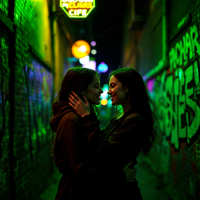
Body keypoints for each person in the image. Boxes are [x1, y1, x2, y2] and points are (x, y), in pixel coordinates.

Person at [68, 67, 159, 200]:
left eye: (113, 86)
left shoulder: (134, 120)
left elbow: (101, 153)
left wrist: (86, 116)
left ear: (127, 87)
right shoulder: (120, 118)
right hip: (115, 187)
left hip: (122, 192)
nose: (108, 91)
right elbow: (98, 142)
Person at [49, 67, 137, 200]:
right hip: (75, 193)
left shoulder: (81, 117)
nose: (101, 91)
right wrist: (121, 176)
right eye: (96, 86)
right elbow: (80, 169)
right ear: (82, 89)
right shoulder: (71, 120)